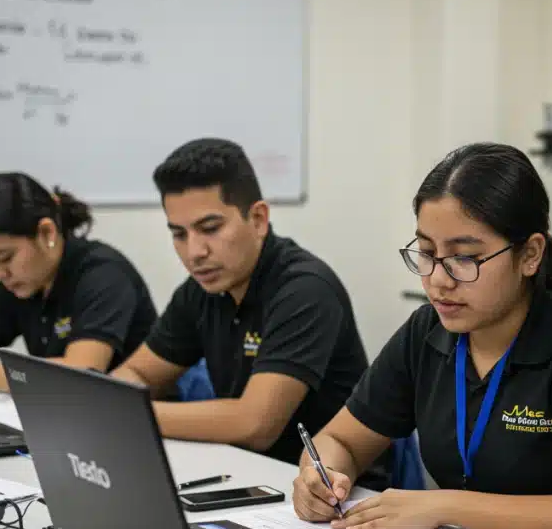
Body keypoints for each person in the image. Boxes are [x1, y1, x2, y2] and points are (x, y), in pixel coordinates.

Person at [291, 142, 552, 529]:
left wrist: (443, 506)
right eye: (427, 254)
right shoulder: (427, 331)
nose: (438, 281)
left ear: (530, 255)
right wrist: (321, 476)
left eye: (464, 258)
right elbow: (339, 440)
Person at [109, 138, 384, 487]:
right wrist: (111, 399)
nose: (194, 251)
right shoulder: (202, 289)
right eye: (179, 234)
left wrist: (127, 414)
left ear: (257, 219)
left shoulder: (305, 288)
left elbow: (255, 425)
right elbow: (138, 372)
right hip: (243, 474)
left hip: (328, 495)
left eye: (210, 228)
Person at [0, 172, 157, 392]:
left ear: (47, 232)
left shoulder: (104, 274)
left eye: (4, 258)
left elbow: (81, 374)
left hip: (131, 418)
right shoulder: (21, 283)